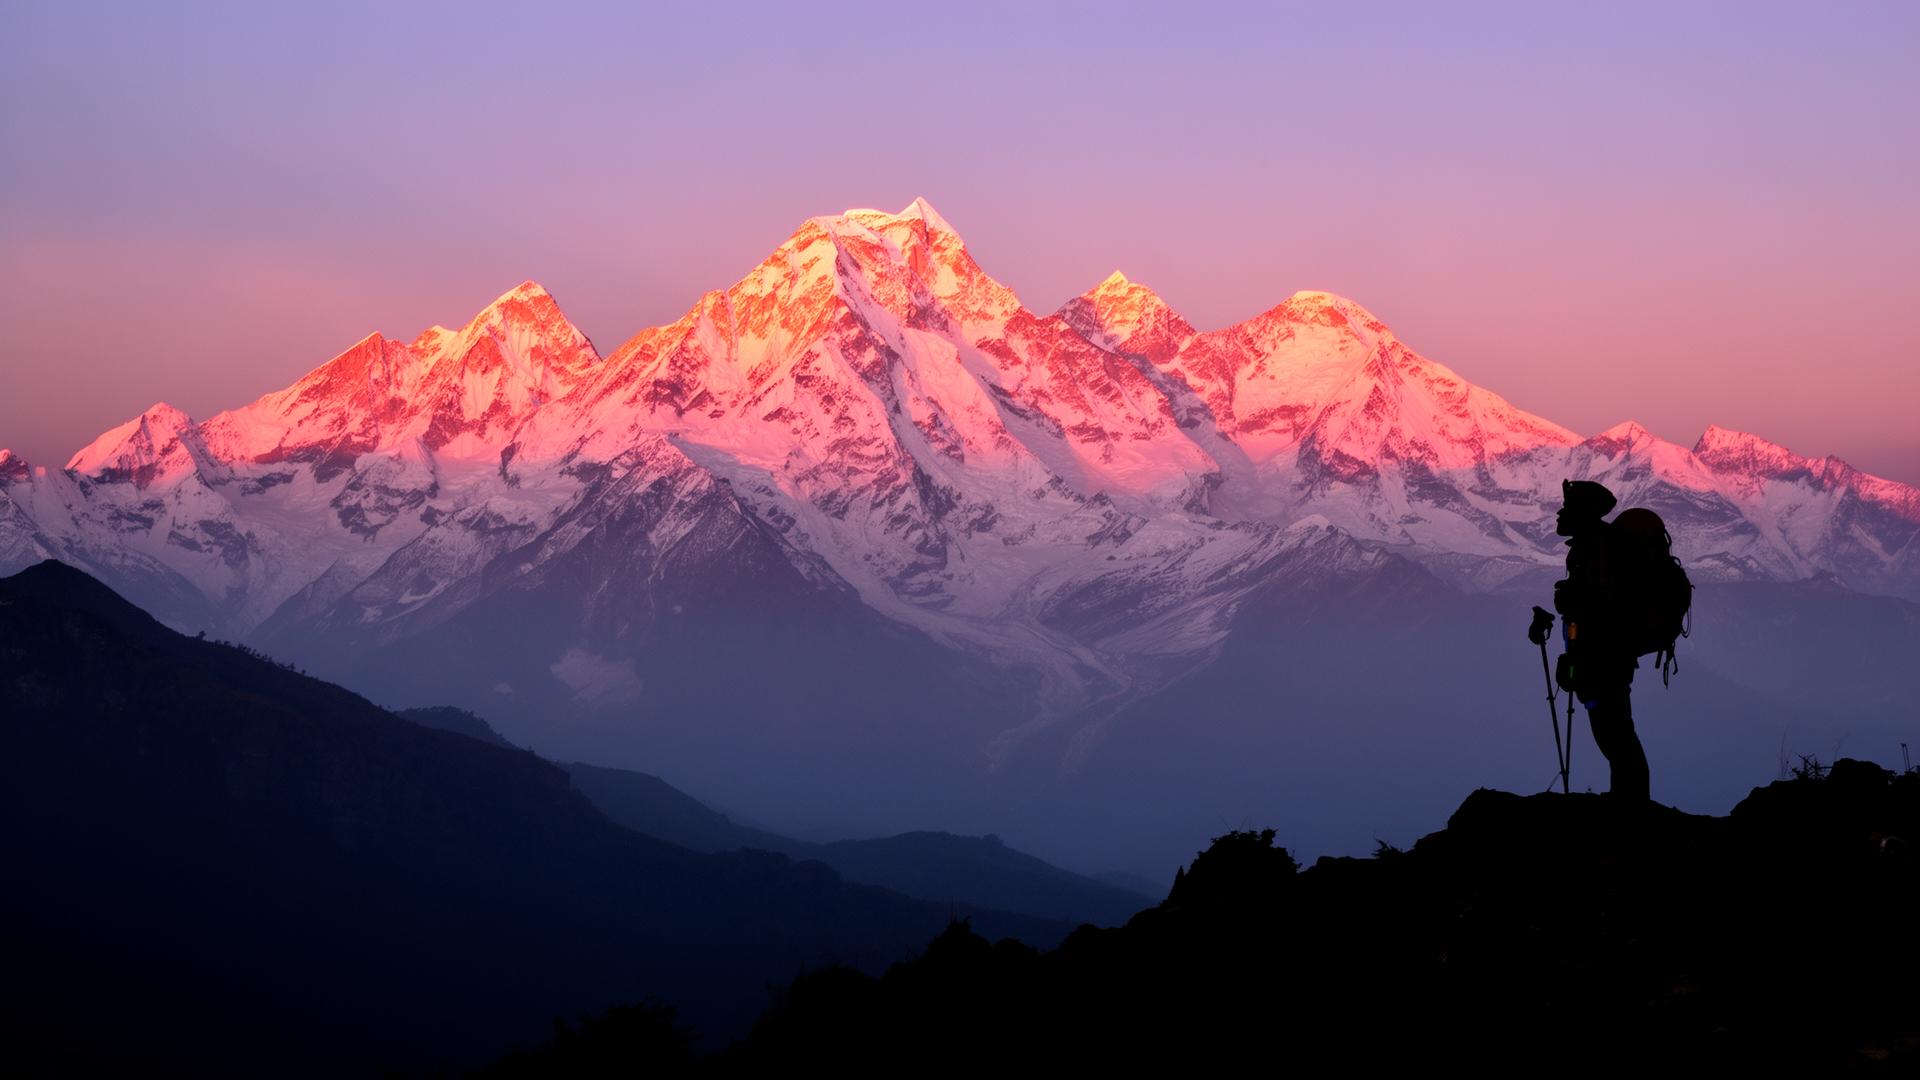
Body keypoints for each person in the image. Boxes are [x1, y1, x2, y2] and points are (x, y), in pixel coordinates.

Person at [1529, 479, 1650, 801]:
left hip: (1603, 656)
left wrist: (1574, 624)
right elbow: (1586, 613)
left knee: (1613, 730)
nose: (1559, 513)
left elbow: (1600, 609)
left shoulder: (1598, 549)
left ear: (1583, 513)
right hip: (1603, 654)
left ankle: (1631, 803)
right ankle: (1628, 798)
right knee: (1612, 727)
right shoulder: (1593, 547)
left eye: (1567, 508)